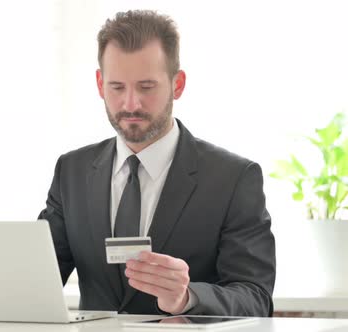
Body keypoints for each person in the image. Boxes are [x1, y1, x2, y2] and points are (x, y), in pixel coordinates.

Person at [38, 10, 276, 316]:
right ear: (100, 84)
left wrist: (187, 298)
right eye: (117, 87)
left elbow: (255, 298)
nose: (131, 104)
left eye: (146, 87)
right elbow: (38, 279)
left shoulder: (234, 178)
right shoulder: (71, 171)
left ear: (177, 84)